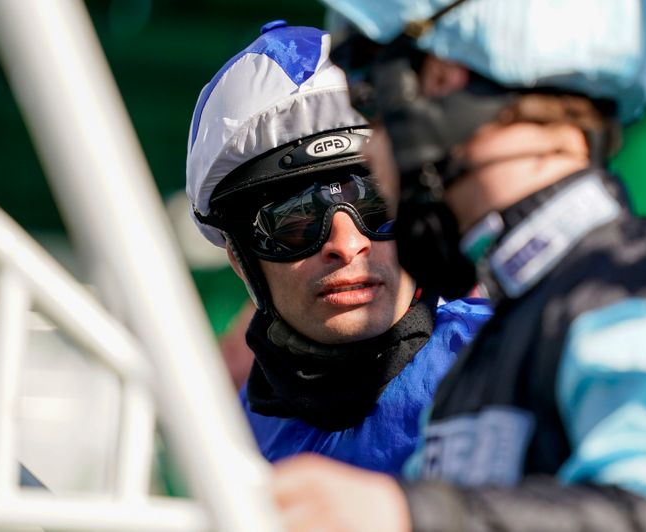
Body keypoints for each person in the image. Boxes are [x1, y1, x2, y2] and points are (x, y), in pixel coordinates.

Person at [270, 1, 646, 531]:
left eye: (371, 103)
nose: (373, 153)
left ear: (441, 78)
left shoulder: (639, 296)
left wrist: (405, 514)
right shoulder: (522, 323)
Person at [185, 21, 491, 474]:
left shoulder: (505, 362)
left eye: (377, 203)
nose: (347, 246)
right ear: (239, 258)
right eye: (295, 219)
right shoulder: (231, 436)